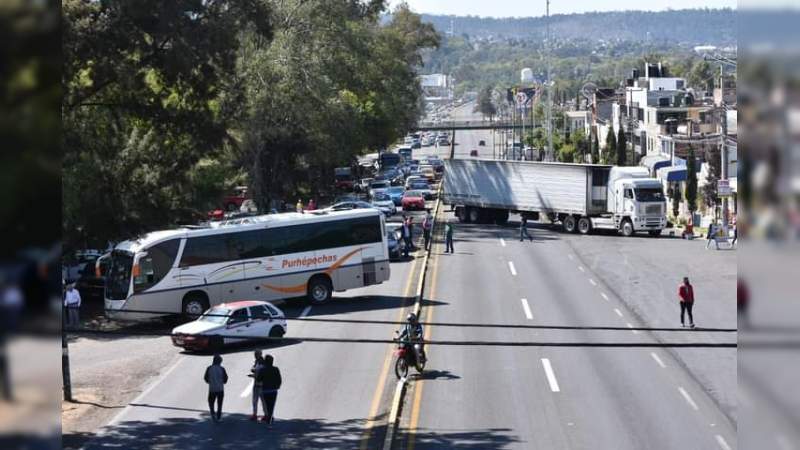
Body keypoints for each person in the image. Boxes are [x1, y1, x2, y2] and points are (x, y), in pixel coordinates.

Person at [258, 354, 282, 424]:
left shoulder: (262, 370)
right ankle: (270, 417)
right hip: (274, 390)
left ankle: (269, 417)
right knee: (272, 405)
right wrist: (277, 386)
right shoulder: (276, 369)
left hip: (265, 390)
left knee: (268, 405)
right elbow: (279, 380)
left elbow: (258, 379)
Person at [203, 354, 228, 422]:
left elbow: (205, 378)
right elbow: (225, 380)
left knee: (211, 402)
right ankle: (219, 416)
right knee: (219, 403)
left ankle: (212, 413)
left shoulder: (209, 368)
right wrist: (221, 381)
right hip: (220, 389)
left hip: (212, 389)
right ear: (220, 362)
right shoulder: (222, 369)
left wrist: (210, 382)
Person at [249, 351, 266, 421]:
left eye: (256, 354)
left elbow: (259, 373)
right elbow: (254, 369)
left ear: (260, 354)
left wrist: (253, 374)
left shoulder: (262, 363)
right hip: (258, 384)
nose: (255, 356)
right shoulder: (257, 361)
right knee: (257, 401)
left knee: (261, 401)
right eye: (255, 354)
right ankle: (256, 414)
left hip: (260, 385)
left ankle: (265, 415)